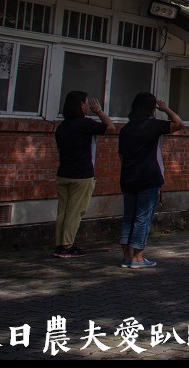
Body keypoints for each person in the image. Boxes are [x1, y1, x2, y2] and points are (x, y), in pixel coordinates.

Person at [117, 92, 184, 269]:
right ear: (152, 108)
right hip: (149, 177)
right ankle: (138, 257)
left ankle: (126, 255)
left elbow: (122, 157)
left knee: (128, 217)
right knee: (143, 218)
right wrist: (166, 109)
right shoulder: (154, 125)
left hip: (128, 178)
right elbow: (179, 124)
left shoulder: (126, 129)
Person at [54, 91, 115, 258]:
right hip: (82, 175)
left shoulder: (62, 127)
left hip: (63, 173)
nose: (88, 106)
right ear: (81, 105)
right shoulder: (85, 124)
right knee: (75, 212)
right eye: (86, 103)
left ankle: (59, 244)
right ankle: (67, 246)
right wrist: (99, 111)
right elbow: (110, 127)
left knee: (63, 211)